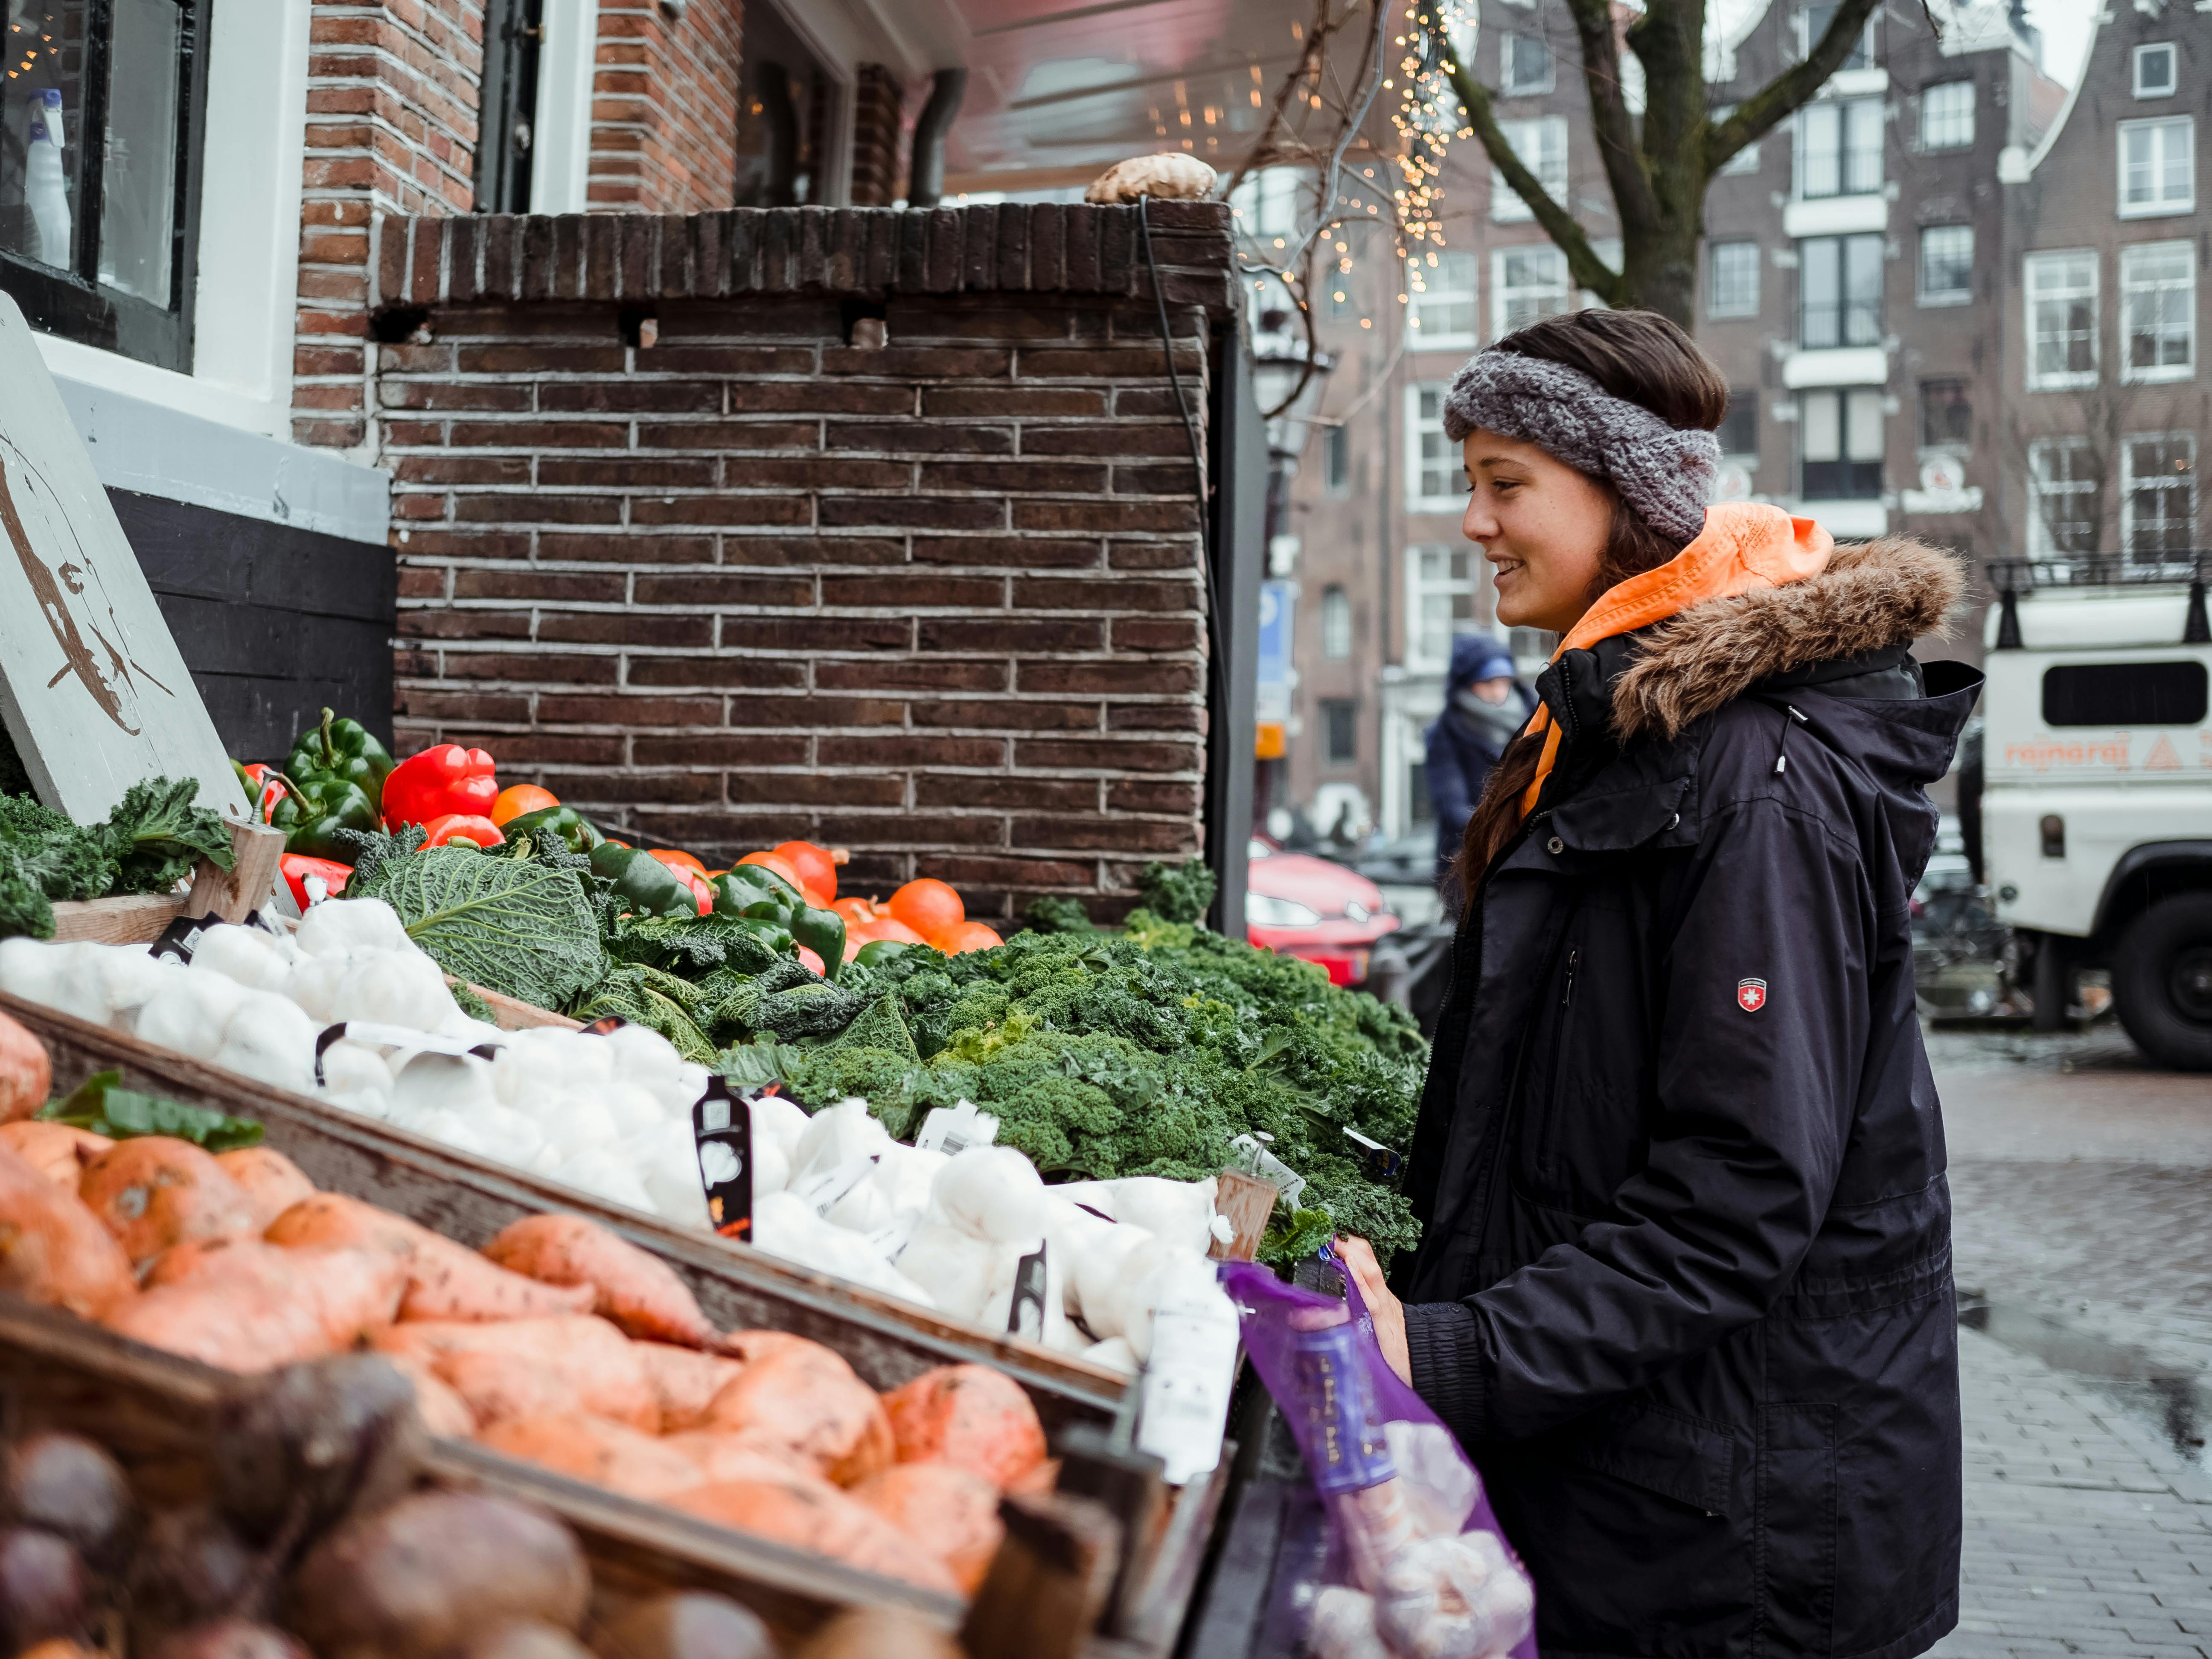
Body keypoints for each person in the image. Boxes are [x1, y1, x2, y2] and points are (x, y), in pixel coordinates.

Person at [1335, 308, 1978, 1657]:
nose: (1476, 524)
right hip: (1647, 1480)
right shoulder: (1621, 731)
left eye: (1507, 484)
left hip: (1730, 1526)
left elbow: (1739, 1193)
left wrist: (1445, 1353)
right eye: (1471, 485)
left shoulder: (1749, 781)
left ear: (1630, 500)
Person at [1424, 633, 1531, 893]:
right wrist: (1510, 830)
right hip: (1469, 864)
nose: (1498, 692)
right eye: (1487, 683)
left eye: (1503, 682)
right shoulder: (1444, 734)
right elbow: (1453, 807)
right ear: (1468, 684)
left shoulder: (1535, 720)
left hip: (1528, 858)